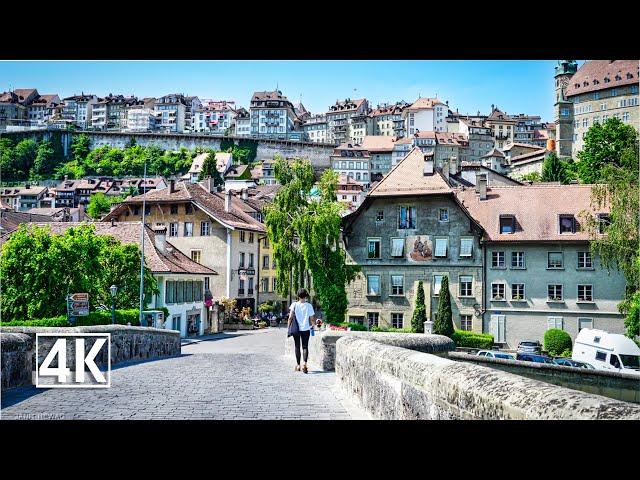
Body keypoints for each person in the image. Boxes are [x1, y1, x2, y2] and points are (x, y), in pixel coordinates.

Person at [288, 288, 317, 374]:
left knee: (297, 346)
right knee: (305, 347)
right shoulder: (309, 306)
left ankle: (298, 365)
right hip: (305, 329)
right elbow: (312, 319)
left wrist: (288, 328)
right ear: (306, 296)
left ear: (298, 296)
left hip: (296, 329)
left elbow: (290, 317)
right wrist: (313, 326)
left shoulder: (294, 305)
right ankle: (304, 364)